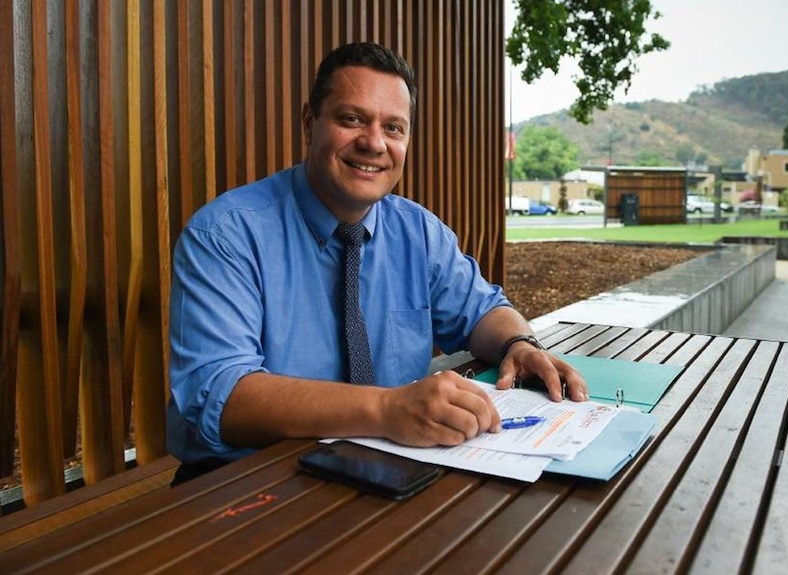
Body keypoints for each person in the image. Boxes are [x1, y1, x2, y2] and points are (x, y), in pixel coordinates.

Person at [166, 42, 588, 483]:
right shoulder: (226, 234)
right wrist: (385, 409)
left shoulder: (418, 232)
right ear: (310, 124)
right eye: (352, 119)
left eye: (393, 127)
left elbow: (483, 310)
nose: (373, 143)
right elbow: (219, 396)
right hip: (244, 483)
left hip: (385, 473)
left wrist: (518, 345)